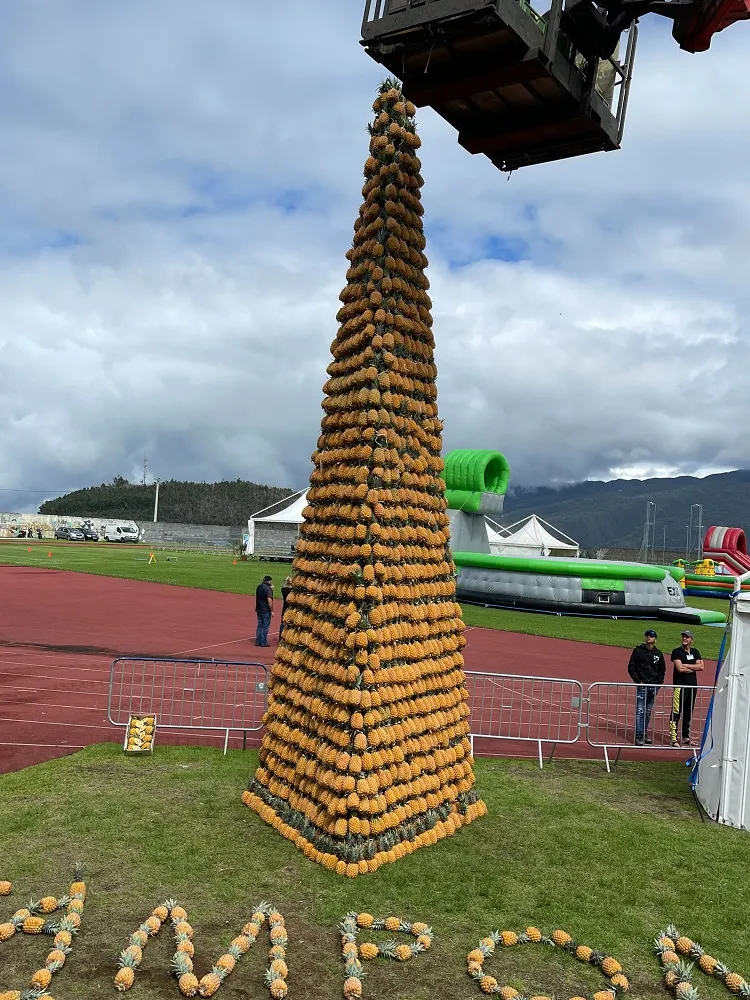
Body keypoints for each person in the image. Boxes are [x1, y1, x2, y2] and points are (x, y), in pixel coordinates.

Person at [627, 628, 666, 745]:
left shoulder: (658, 654)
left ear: (655, 639)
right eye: (647, 635)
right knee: (640, 710)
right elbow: (631, 667)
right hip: (642, 685)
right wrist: (638, 681)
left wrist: (658, 683)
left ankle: (644, 733)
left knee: (648, 711)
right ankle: (638, 736)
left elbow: (662, 669)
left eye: (651, 636)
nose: (649, 637)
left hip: (653, 686)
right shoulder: (638, 651)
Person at [670, 630, 704, 747]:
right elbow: (679, 668)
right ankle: (674, 738)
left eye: (687, 637)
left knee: (688, 712)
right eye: (683, 637)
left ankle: (686, 736)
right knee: (676, 711)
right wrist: (693, 668)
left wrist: (687, 665)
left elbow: (701, 667)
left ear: (691, 640)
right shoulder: (677, 652)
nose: (684, 639)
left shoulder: (695, 652)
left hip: (692, 686)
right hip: (680, 686)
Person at [255, 575, 273, 647]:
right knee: (265, 626)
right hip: (266, 610)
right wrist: (272, 610)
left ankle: (258, 641)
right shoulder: (268, 589)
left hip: (259, 609)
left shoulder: (259, 587)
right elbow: (269, 601)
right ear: (269, 581)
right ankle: (263, 642)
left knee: (259, 625)